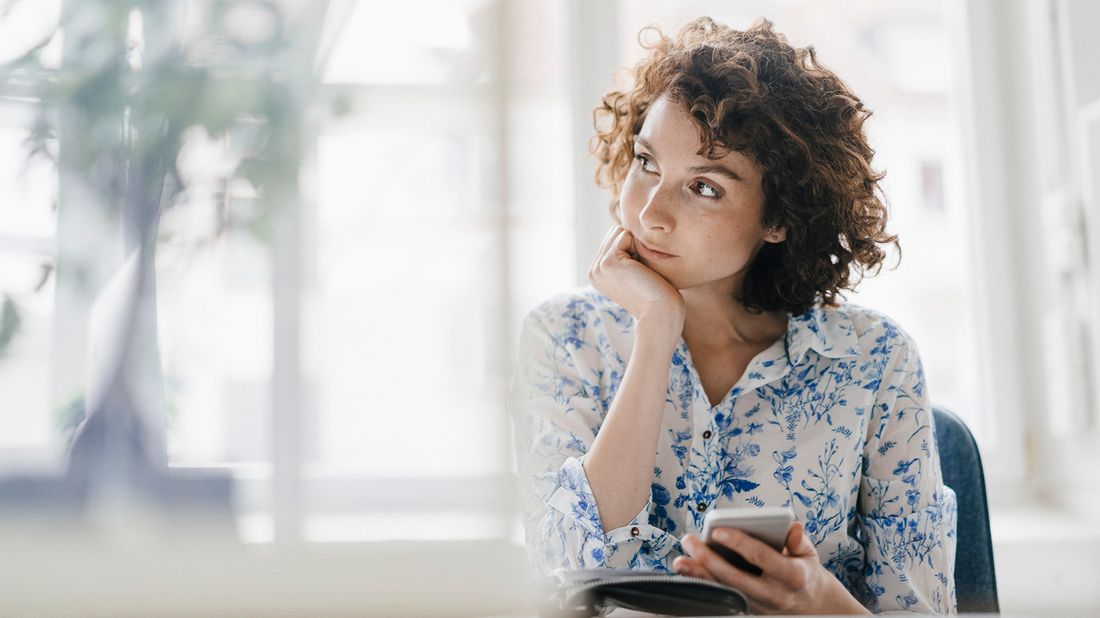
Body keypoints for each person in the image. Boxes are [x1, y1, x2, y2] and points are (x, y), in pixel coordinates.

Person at [508, 16, 956, 615]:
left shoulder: (876, 362)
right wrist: (655, 330)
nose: (651, 213)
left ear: (779, 218)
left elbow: (923, 608)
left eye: (705, 188)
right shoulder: (563, 340)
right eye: (647, 162)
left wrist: (819, 600)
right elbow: (573, 572)